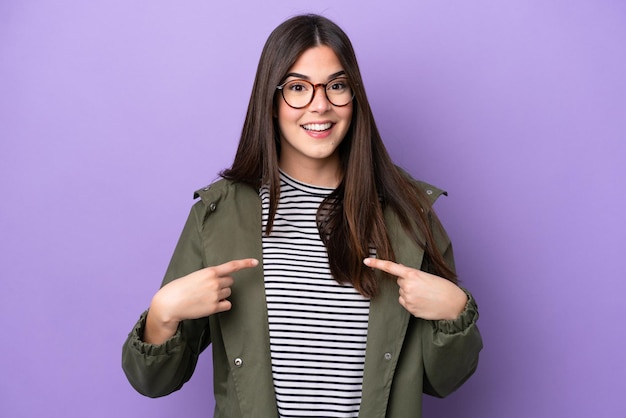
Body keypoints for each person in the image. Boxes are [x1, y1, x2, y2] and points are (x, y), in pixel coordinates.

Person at [122, 13, 482, 418]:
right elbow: (154, 380)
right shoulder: (218, 216)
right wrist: (162, 313)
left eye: (337, 86)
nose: (321, 105)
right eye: (297, 88)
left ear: (355, 96)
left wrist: (455, 312)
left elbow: (443, 382)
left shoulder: (408, 212)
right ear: (271, 102)